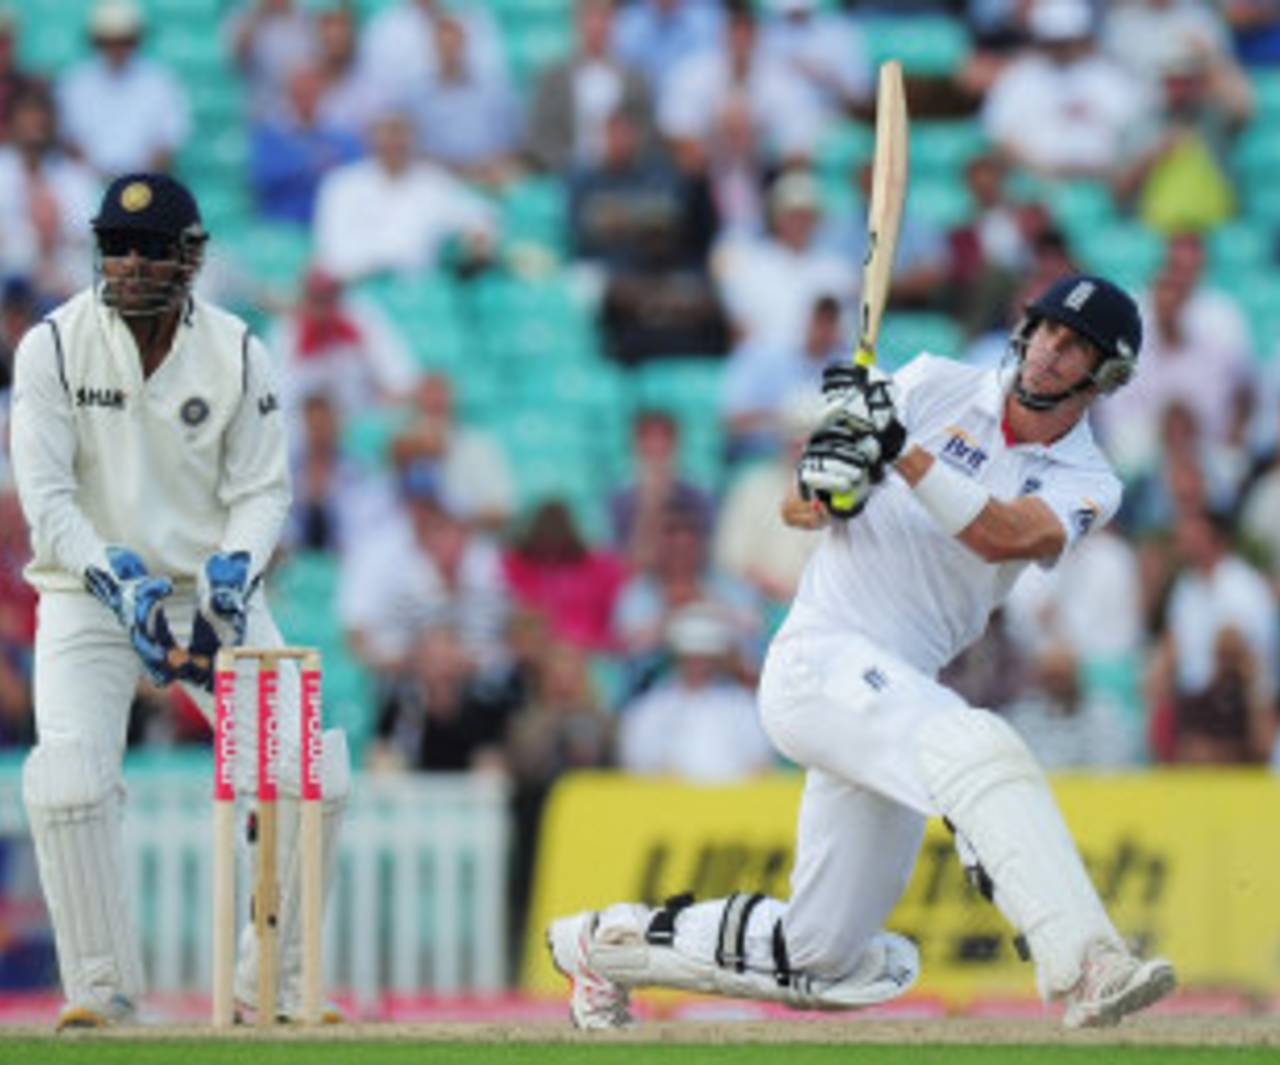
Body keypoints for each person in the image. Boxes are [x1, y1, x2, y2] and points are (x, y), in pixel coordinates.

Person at [546, 273, 1177, 1029]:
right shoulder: (932, 384)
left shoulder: (1090, 479)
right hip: (819, 658)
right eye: (1046, 329)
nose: (1049, 350)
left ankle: (597, 947)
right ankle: (1090, 963)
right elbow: (800, 505)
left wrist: (900, 450)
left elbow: (1003, 532)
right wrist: (830, 478)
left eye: (1074, 346)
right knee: (975, 743)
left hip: (894, 690)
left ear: (1104, 376)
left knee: (820, 952)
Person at [9, 173, 351, 1028]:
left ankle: (268, 984)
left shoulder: (236, 351)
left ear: (188, 258)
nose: (127, 263)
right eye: (115, 247)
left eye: (148, 249)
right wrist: (108, 574)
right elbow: (46, 497)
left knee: (306, 772)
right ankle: (103, 994)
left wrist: (237, 563)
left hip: (210, 595)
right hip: (87, 595)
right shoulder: (51, 346)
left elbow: (264, 491)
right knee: (68, 781)